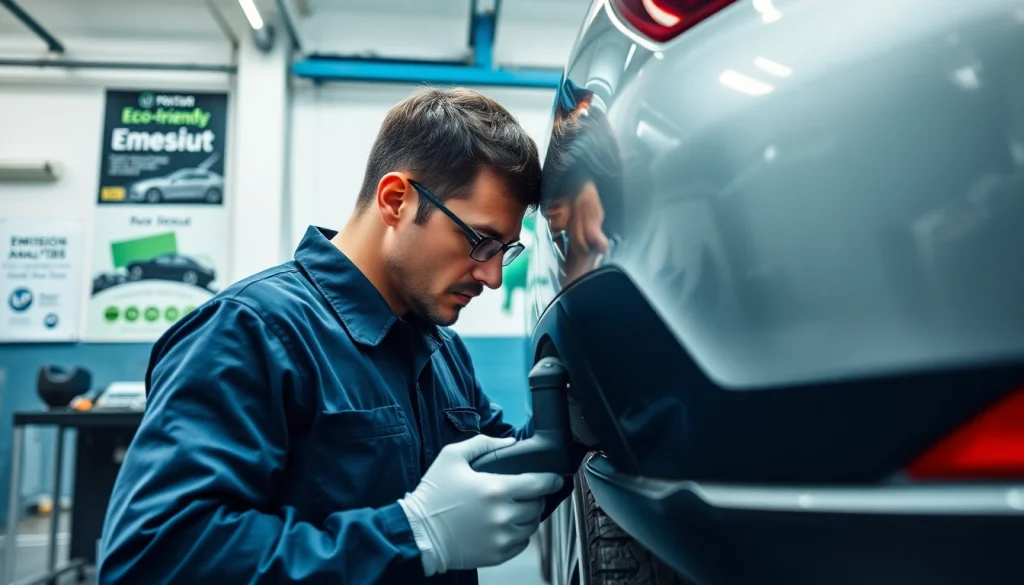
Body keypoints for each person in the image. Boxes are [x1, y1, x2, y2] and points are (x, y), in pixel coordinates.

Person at [97, 87, 577, 585]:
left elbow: (500, 483)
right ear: (396, 200)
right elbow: (153, 558)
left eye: (506, 252)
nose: (493, 277)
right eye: (481, 242)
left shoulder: (441, 350)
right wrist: (410, 536)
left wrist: (573, 429)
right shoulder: (249, 332)